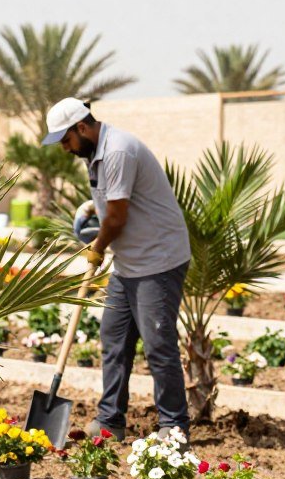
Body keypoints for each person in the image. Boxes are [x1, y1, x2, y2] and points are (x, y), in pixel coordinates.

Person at [42, 97, 191, 443]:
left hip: (159, 260)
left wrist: (96, 249)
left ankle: (174, 425)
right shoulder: (94, 154)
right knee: (114, 338)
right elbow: (112, 202)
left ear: (81, 127)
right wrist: (91, 210)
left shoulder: (118, 151)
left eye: (65, 140)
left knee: (158, 343)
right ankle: (110, 420)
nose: (64, 149)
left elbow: (118, 218)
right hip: (129, 263)